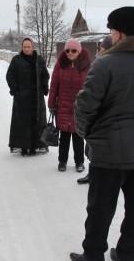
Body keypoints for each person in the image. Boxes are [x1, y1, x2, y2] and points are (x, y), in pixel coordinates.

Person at [70, 6, 134, 261]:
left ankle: (93, 255)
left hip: (109, 152)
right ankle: (127, 255)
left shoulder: (104, 64)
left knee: (100, 208)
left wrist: (89, 135)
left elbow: (84, 107)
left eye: (111, 30)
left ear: (118, 33)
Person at [49, 38, 91, 172]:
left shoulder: (86, 66)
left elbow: (91, 86)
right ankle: (62, 161)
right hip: (63, 106)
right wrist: (51, 103)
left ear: (79, 51)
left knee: (78, 137)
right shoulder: (60, 64)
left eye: (74, 50)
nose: (70, 53)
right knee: (64, 137)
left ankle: (79, 162)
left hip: (80, 107)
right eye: (68, 50)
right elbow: (54, 85)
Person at [77, 36, 113, 184]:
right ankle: (92, 174)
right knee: (92, 149)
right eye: (100, 49)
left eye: (102, 49)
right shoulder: (98, 64)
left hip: (104, 117)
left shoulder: (107, 66)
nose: (99, 51)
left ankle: (100, 177)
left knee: (101, 150)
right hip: (96, 115)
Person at [6, 38, 50, 156]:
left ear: (32, 47)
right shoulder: (16, 60)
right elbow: (10, 76)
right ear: (22, 47)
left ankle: (37, 145)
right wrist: (15, 90)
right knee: (22, 122)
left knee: (37, 121)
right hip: (22, 97)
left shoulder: (39, 59)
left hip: (37, 97)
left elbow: (45, 75)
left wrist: (45, 87)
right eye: (24, 47)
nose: (26, 49)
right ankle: (23, 146)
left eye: (28, 46)